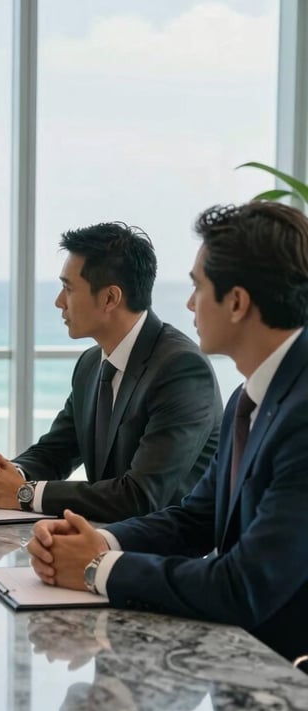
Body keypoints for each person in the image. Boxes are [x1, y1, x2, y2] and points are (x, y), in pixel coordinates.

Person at [27, 201, 308, 663]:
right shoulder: (247, 398)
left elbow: (243, 586)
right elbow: (196, 518)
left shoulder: (301, 416)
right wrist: (103, 541)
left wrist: (98, 568)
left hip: (286, 676)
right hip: (243, 661)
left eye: (198, 287)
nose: (189, 303)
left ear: (237, 303)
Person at [0, 222, 222, 522]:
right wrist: (3, 477)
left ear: (110, 298)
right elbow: (56, 451)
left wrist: (25, 493)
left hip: (165, 546)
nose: (59, 302)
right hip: (102, 536)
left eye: (68, 288)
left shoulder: (182, 369)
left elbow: (140, 496)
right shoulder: (90, 364)